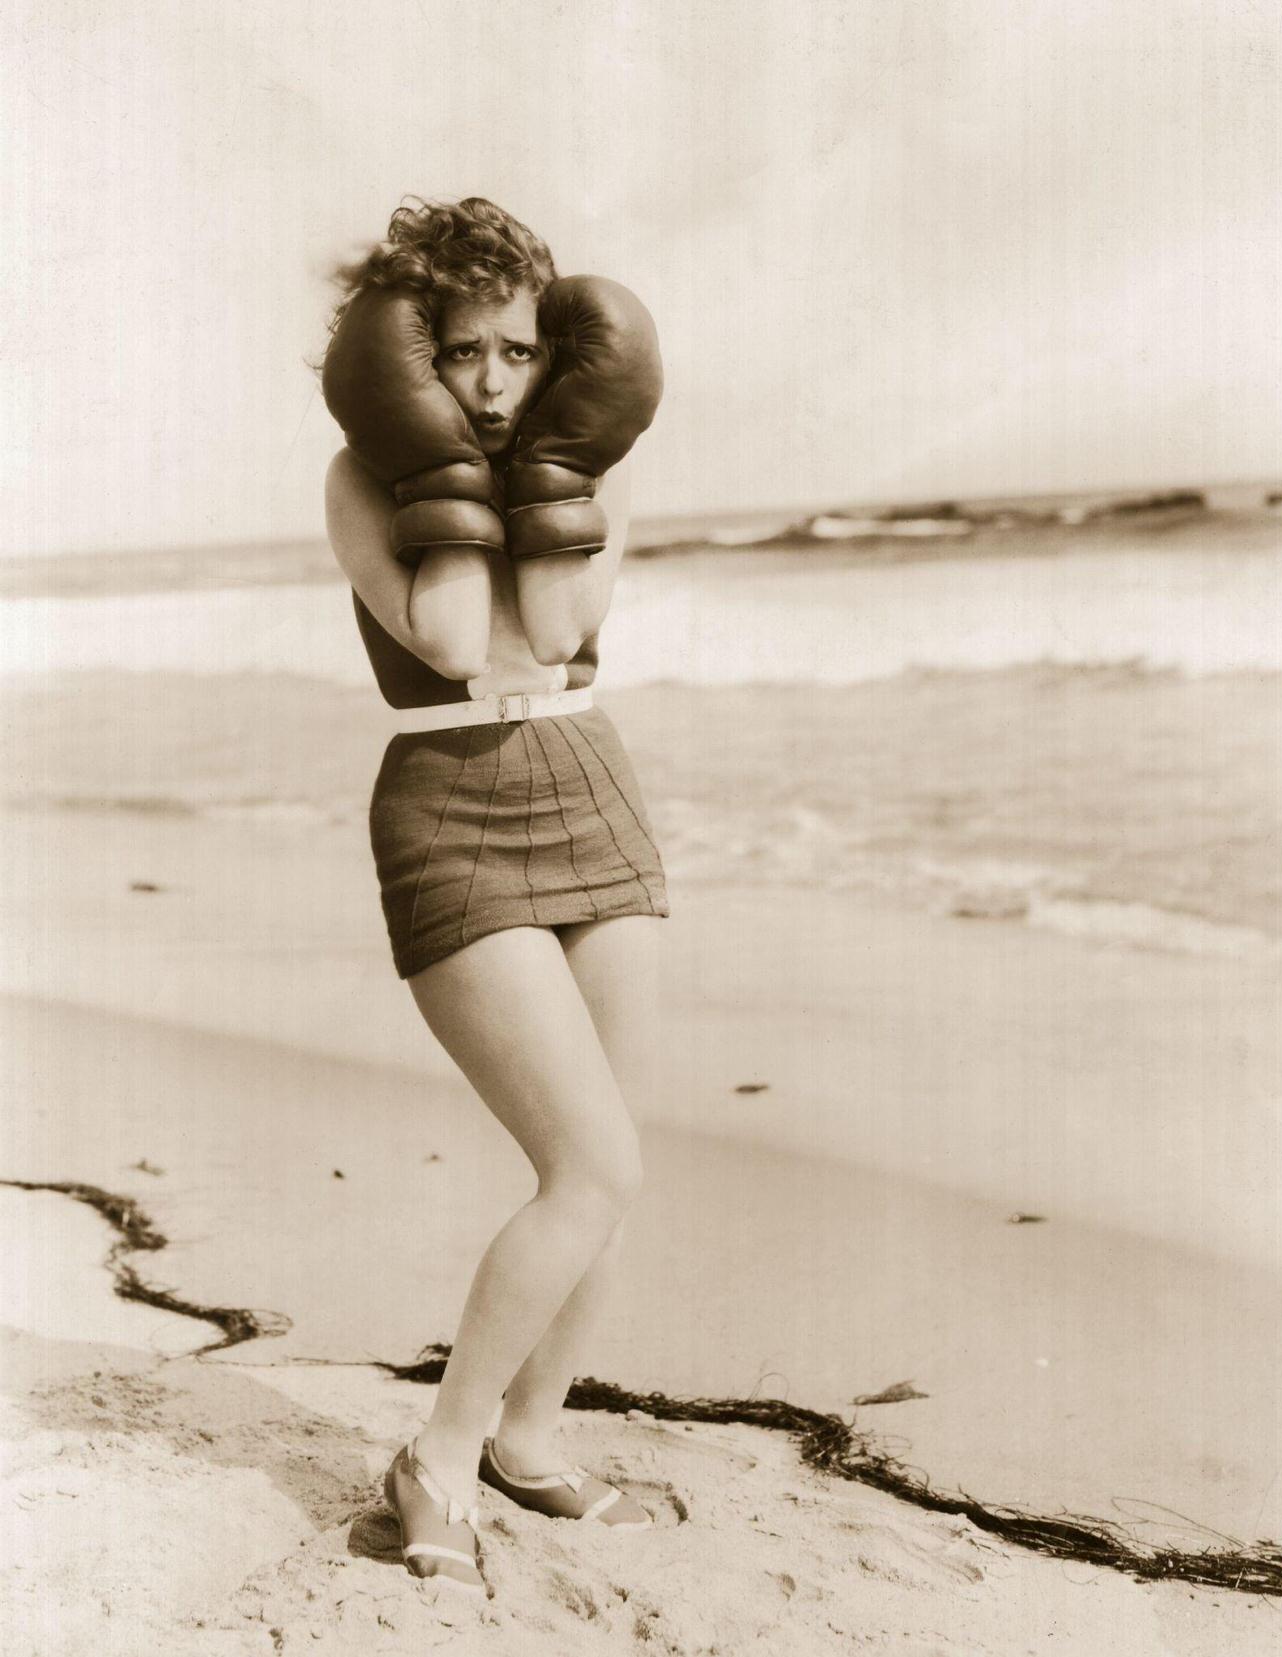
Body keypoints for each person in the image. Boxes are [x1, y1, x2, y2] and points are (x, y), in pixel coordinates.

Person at [320, 196, 670, 1599]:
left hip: (590, 784)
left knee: (610, 1168)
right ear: (410, 353)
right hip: (448, 806)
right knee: (591, 1166)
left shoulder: (596, 459)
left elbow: (567, 628)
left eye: (518, 351)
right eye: (459, 351)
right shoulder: (360, 477)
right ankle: (441, 1456)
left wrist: (555, 469)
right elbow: (462, 638)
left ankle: (530, 1436)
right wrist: (449, 472)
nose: (491, 381)